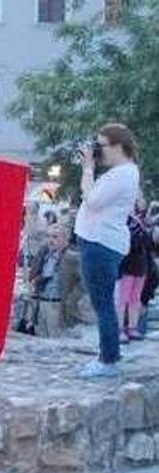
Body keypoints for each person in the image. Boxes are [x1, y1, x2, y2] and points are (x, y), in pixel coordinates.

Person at [74, 123, 141, 378]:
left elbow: (92, 200)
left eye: (100, 145)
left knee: (102, 304)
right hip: (100, 242)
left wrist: (88, 169)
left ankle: (108, 359)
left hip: (99, 243)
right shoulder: (123, 172)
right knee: (104, 302)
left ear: (117, 146)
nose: (97, 150)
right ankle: (109, 353)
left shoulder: (122, 174)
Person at [23, 223, 69, 337]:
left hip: (56, 303)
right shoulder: (45, 254)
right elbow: (35, 274)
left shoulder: (69, 257)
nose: (50, 240)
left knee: (54, 337)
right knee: (41, 336)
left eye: (55, 237)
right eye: (48, 236)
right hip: (42, 301)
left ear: (64, 239)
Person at [117, 204, 153, 342]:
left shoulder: (140, 221)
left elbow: (148, 242)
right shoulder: (123, 220)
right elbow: (128, 241)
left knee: (135, 298)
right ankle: (120, 328)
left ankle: (132, 326)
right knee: (123, 298)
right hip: (127, 264)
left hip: (141, 264)